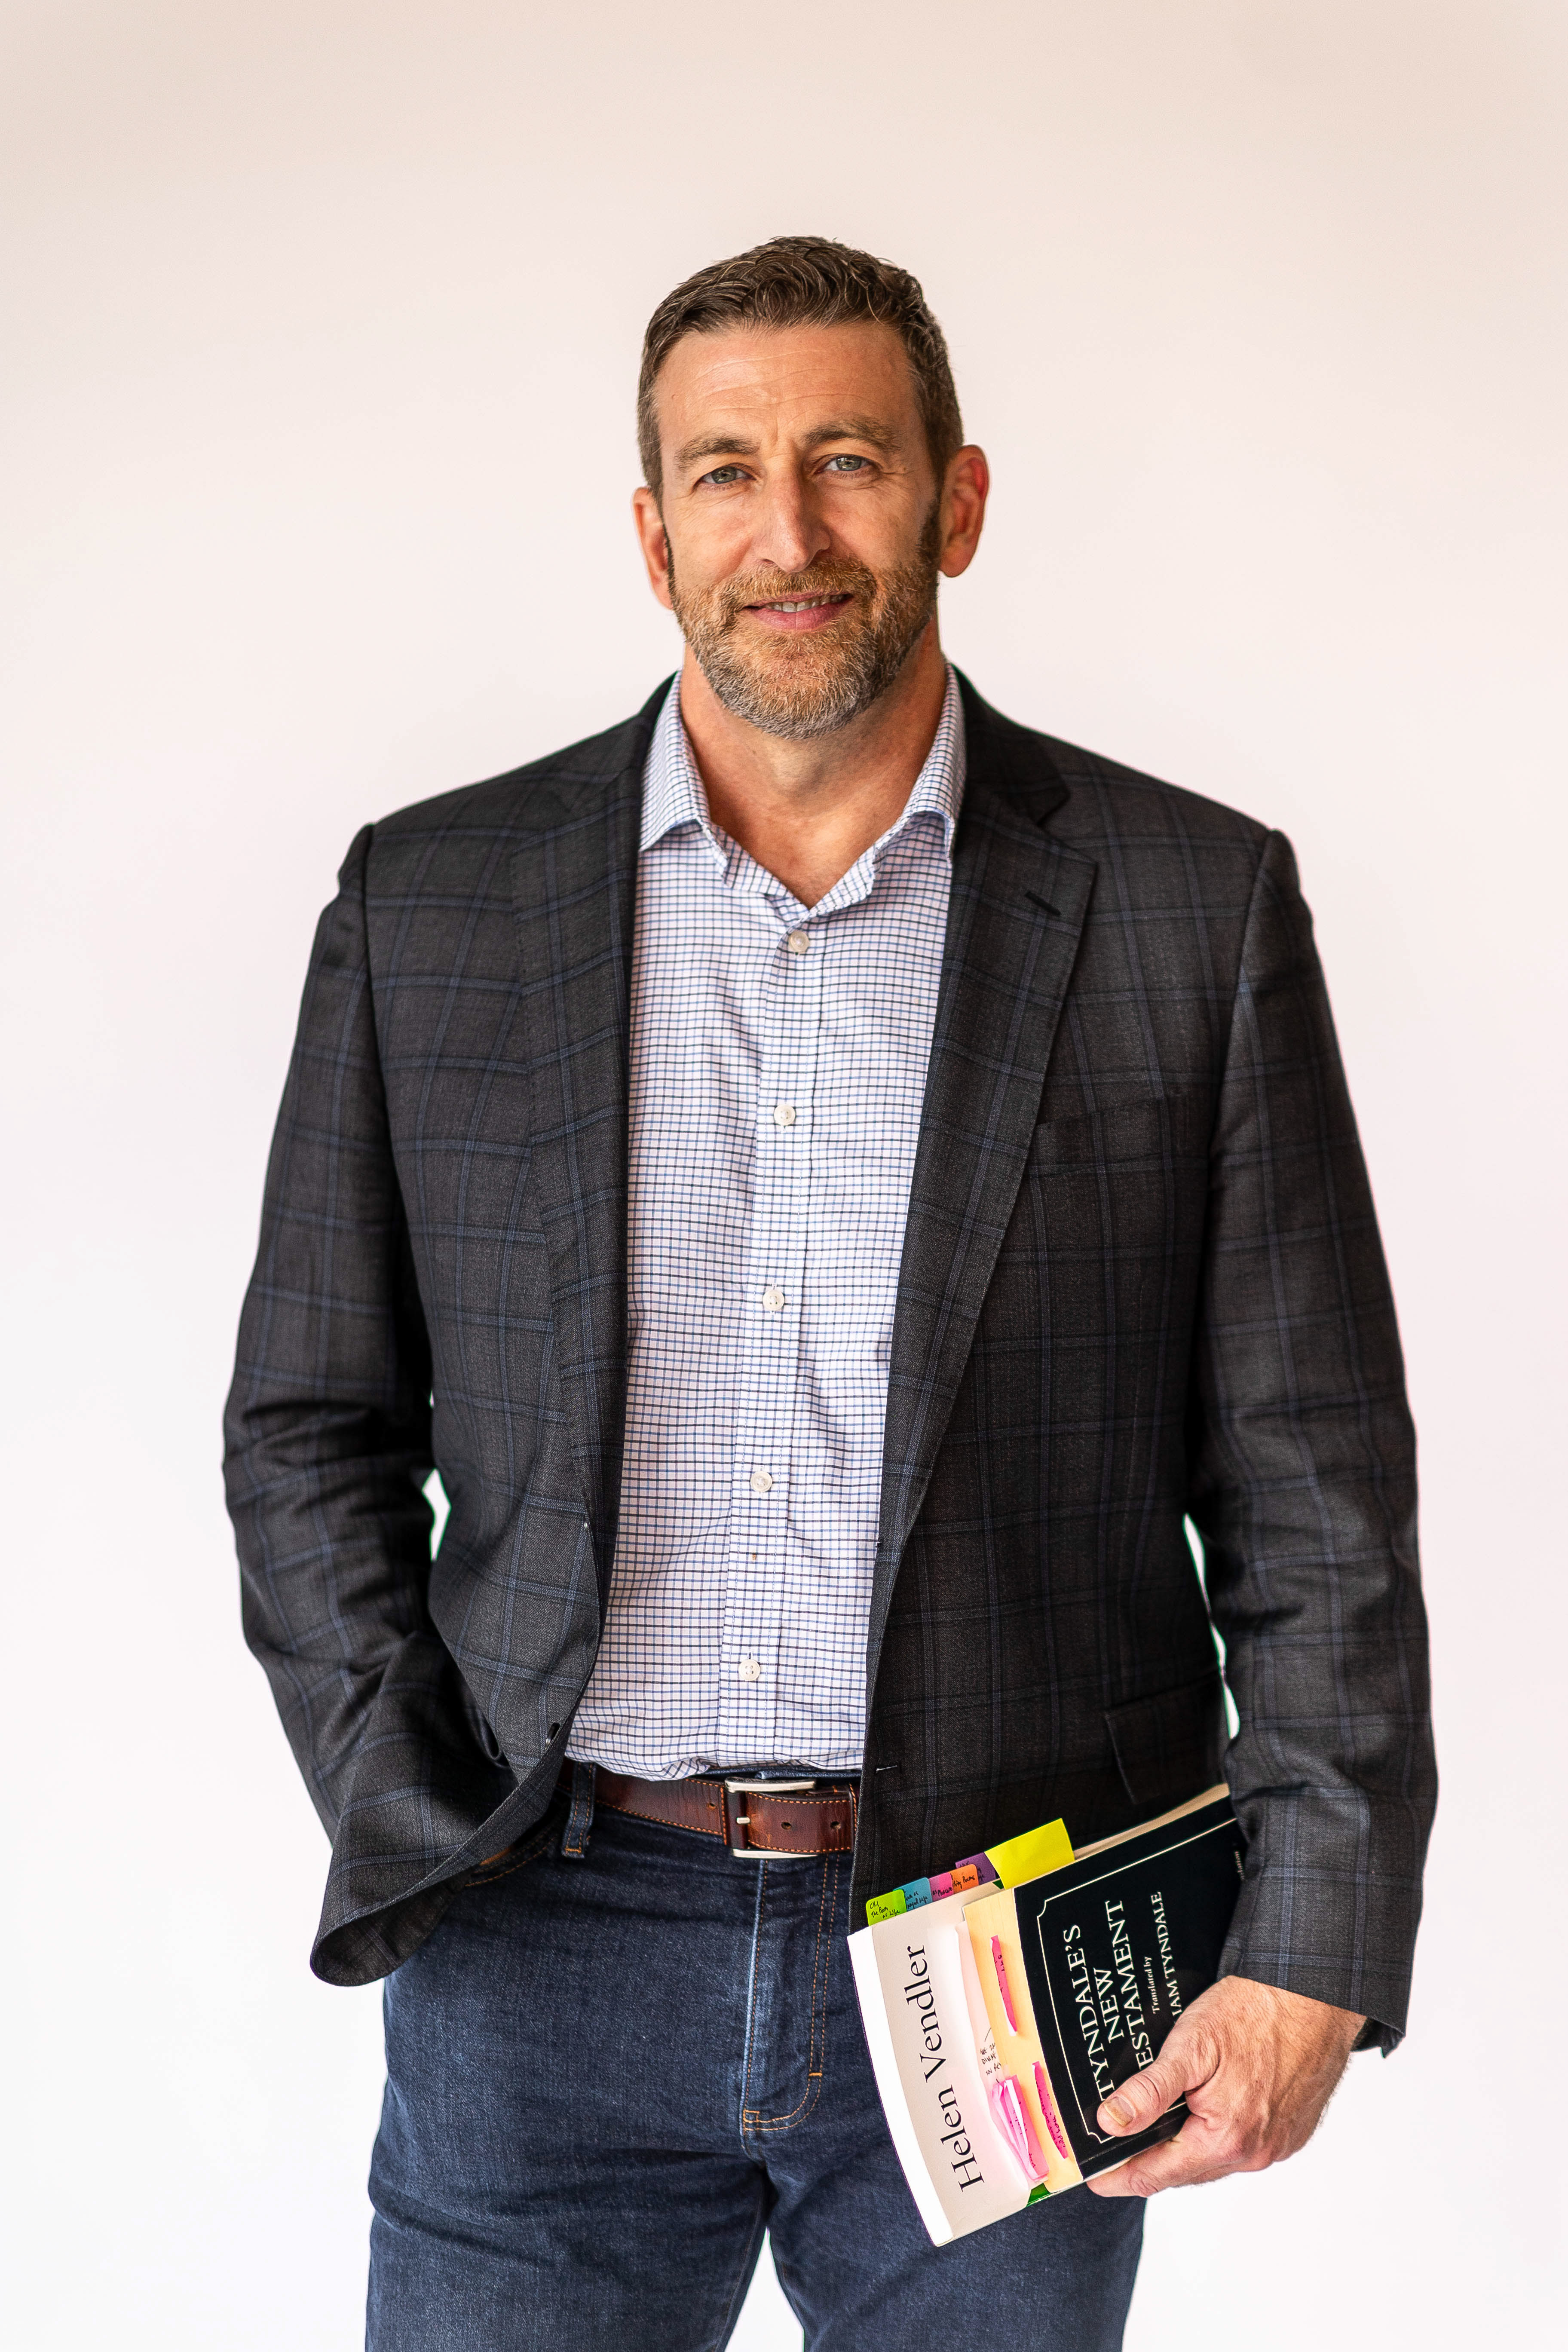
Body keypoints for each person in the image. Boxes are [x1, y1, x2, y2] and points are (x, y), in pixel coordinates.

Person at [224, 236, 1435, 2351]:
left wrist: (1313, 1941)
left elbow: (1312, 1483)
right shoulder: (433, 903)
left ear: (957, 501)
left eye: (849, 462)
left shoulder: (1187, 907)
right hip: (542, 1947)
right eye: (726, 472)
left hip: (1011, 1944)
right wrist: (407, 1811)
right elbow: (308, 1427)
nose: (786, 533)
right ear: (652, 533)